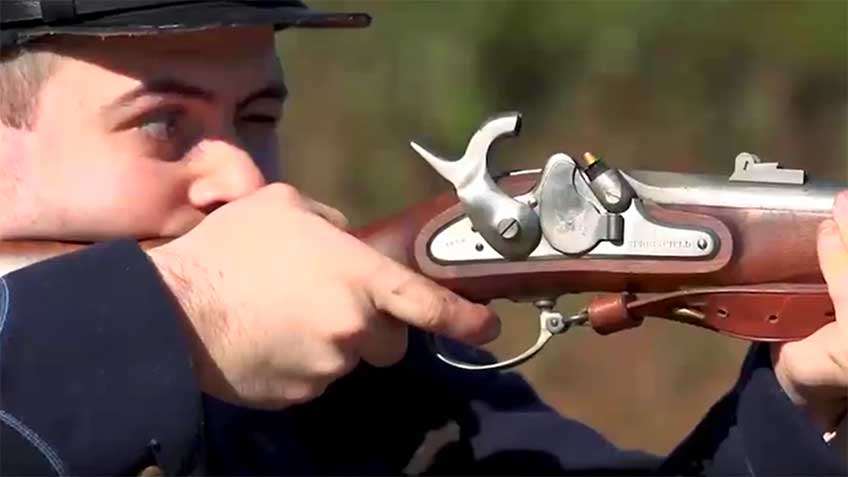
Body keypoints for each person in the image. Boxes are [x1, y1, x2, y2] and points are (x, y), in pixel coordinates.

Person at [0, 1, 845, 475]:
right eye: (162, 124)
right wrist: (183, 316)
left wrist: (802, 413)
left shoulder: (377, 379)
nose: (250, 184)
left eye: (256, 118)